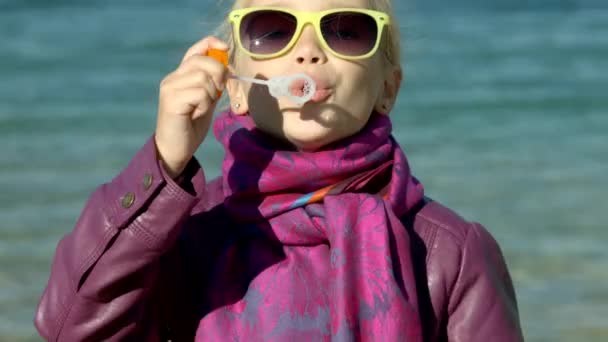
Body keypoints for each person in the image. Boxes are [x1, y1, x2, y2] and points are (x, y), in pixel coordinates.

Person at [34, 0, 524, 341]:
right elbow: (71, 328)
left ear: (387, 88)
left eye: (345, 29)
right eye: (271, 29)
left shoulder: (450, 252)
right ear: (237, 85)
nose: (307, 50)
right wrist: (165, 160)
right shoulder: (187, 233)